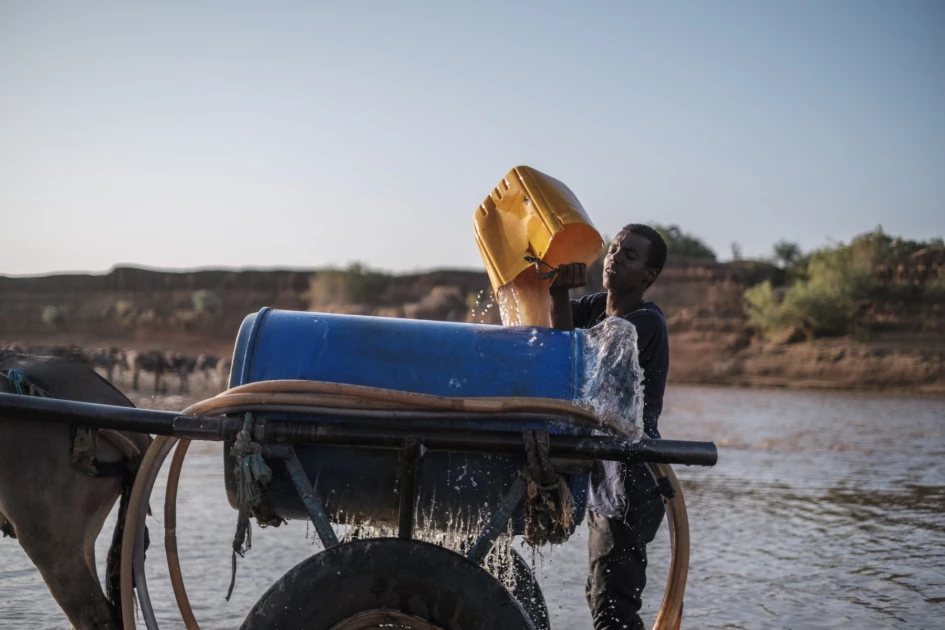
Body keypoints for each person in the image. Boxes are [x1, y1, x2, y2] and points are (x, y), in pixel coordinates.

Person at [548, 223, 670, 630]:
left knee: (612, 607)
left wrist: (560, 298)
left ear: (647, 277)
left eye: (629, 255)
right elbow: (555, 343)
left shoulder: (645, 323)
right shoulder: (597, 305)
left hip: (633, 478)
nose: (615, 257)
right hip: (607, 473)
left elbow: (583, 361)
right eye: (615, 249)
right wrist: (555, 289)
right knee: (602, 595)